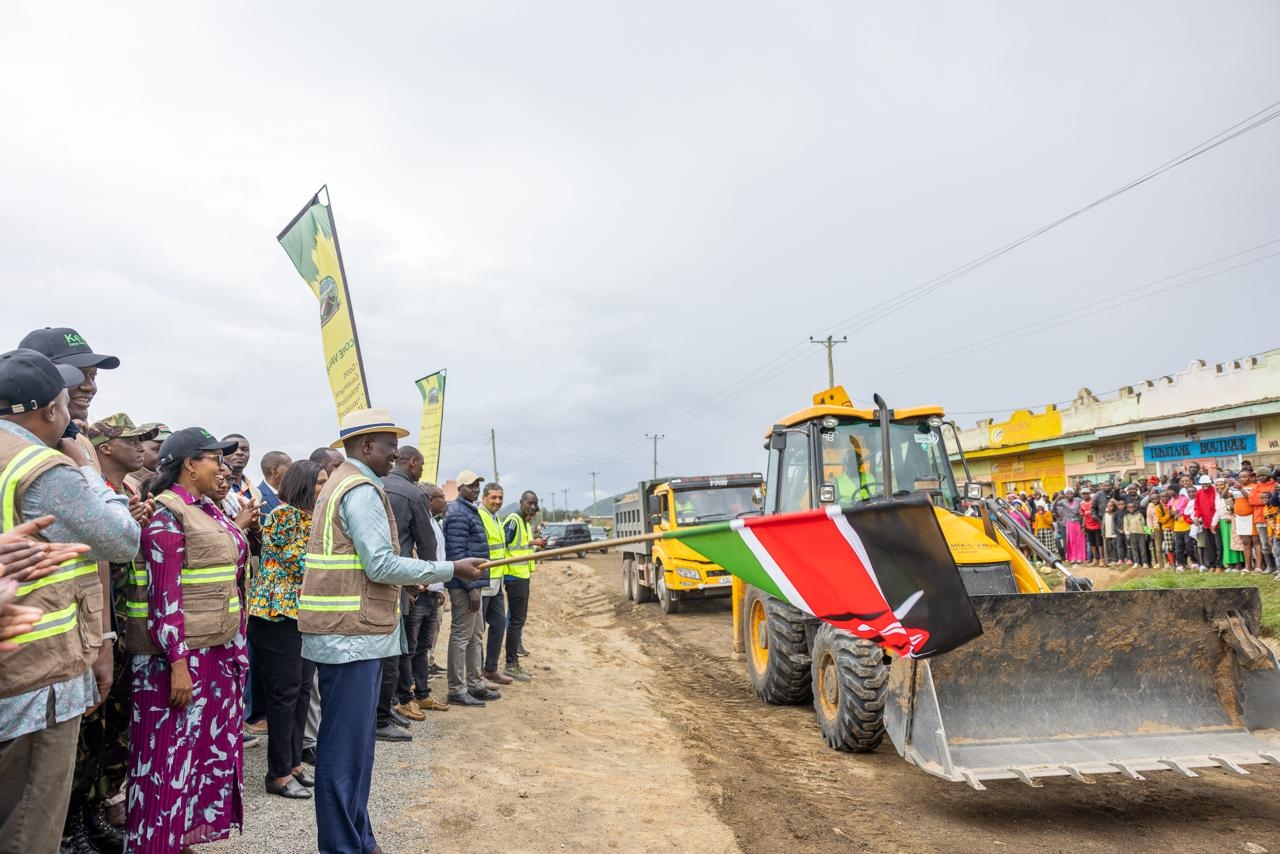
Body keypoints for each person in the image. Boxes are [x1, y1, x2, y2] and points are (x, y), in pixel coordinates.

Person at [297, 409, 484, 854]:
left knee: (357, 751)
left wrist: (416, 576)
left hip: (351, 634)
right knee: (345, 752)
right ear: (365, 446)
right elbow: (380, 562)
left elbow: (368, 563)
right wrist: (449, 568)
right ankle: (344, 845)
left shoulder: (347, 481)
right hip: (349, 637)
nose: (396, 453)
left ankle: (359, 838)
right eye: (389, 445)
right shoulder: (359, 488)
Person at [0, 349, 137, 854]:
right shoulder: (40, 463)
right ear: (51, 412)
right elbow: (120, 539)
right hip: (34, 682)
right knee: (27, 828)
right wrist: (86, 469)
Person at [125, 428, 253, 852]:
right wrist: (179, 664)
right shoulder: (167, 514)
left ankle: (177, 842)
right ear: (189, 464)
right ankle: (154, 844)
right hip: (177, 662)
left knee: (198, 762)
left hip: (214, 653)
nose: (224, 466)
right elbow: (165, 598)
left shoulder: (210, 510)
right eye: (215, 458)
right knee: (166, 762)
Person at [75, 414, 160, 854]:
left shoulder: (126, 493)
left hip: (125, 627)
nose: (143, 445)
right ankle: (73, 828)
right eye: (133, 439)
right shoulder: (88, 492)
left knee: (114, 731)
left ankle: (95, 811)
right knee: (88, 732)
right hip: (95, 627)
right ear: (105, 447)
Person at [248, 459, 327, 800]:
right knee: (284, 696)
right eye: (321, 482)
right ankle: (278, 774)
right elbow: (301, 564)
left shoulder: (314, 519)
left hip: (302, 616)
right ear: (304, 485)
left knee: (301, 693)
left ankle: (294, 763)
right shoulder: (284, 516)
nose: (326, 488)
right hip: (276, 617)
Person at [382, 448, 450, 724]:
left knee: (398, 649)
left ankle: (393, 705)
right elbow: (427, 547)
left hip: (385, 581)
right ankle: (388, 711)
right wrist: (422, 581)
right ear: (412, 462)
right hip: (402, 584)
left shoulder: (377, 486)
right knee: (398, 649)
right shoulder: (412, 493)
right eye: (421, 465)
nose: (421, 470)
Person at [444, 470, 501, 707]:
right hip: (464, 587)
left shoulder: (469, 510)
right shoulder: (458, 513)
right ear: (460, 489)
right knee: (461, 636)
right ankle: (457, 689)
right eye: (471, 485)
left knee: (476, 635)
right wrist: (471, 588)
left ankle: (475, 684)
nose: (476, 488)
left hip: (473, 585)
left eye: (478, 484)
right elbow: (457, 555)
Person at [503, 491, 545, 680]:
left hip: (522, 575)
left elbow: (521, 546)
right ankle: (511, 663)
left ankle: (513, 660)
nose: (533, 507)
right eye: (530, 503)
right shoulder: (513, 520)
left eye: (535, 504)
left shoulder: (524, 522)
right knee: (516, 621)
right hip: (514, 576)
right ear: (521, 502)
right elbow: (504, 545)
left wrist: (535, 545)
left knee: (517, 620)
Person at [478, 483, 514, 687]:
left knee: (500, 623)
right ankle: (476, 674)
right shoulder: (479, 516)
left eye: (500, 498)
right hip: (483, 583)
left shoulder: (496, 518)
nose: (497, 501)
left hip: (496, 583)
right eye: (493, 497)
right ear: (484, 498)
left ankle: (490, 669)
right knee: (477, 630)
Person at [1250, 467, 1276, 572]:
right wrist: (1265, 499)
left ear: (1268, 476)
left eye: (1263, 475)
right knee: (1264, 544)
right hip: (1259, 518)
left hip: (1273, 518)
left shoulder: (1274, 486)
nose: (1261, 477)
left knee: (1275, 543)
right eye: (1259, 475)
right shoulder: (1255, 486)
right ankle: (1270, 566)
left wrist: (1261, 498)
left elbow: (1273, 500)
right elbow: (1251, 500)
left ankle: (1277, 566)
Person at [1054, 488, 1085, 565]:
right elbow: (1054, 506)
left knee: (1079, 540)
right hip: (1069, 523)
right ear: (1065, 495)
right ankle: (1073, 557)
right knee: (1071, 541)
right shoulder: (1063, 502)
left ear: (1073, 494)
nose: (1069, 495)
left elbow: (1084, 503)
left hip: (1078, 522)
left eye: (1071, 493)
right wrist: (1057, 498)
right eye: (1067, 493)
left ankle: (1080, 557)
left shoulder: (1078, 500)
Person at [258, 451, 293, 516]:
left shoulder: (293, 495)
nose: (294, 471)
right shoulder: (257, 496)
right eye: (290, 467)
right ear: (274, 471)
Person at [1122, 501, 1148, 567]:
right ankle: (1136, 562)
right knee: (1134, 549)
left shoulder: (1140, 515)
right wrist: (1127, 534)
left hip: (1141, 533)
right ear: (1127, 508)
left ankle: (1144, 562)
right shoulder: (1126, 516)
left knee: (1143, 549)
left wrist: (1147, 533)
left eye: (1132, 507)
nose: (1131, 508)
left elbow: (1144, 524)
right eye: (1129, 507)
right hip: (1132, 534)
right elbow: (1126, 526)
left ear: (1135, 507)